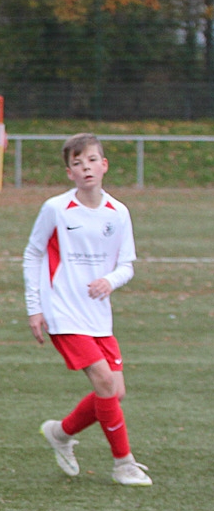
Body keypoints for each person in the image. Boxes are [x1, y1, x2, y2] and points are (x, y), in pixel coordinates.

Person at [27, 134, 150, 487]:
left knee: (115, 391)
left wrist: (109, 281)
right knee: (104, 381)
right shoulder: (56, 208)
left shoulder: (118, 212)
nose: (86, 168)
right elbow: (33, 254)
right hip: (62, 311)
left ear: (104, 165)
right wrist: (35, 308)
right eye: (78, 163)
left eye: (92, 160)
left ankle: (60, 433)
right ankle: (123, 464)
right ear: (70, 173)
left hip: (98, 315)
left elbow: (126, 265)